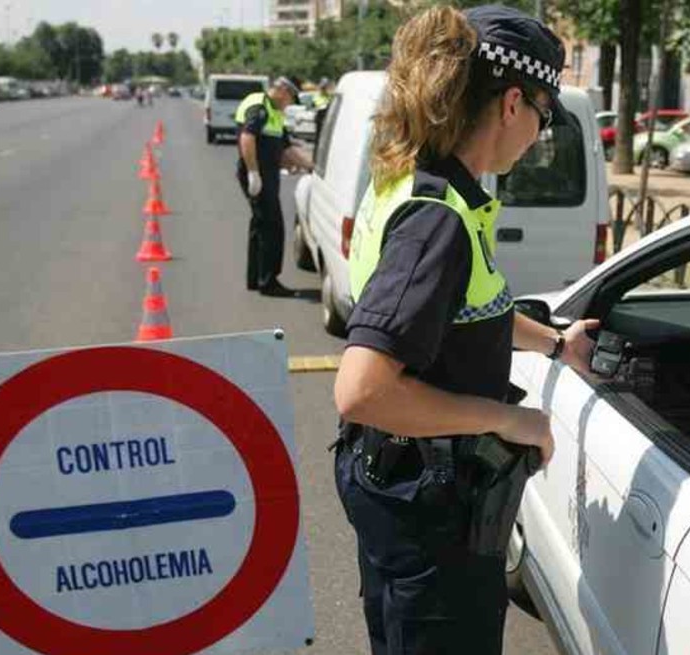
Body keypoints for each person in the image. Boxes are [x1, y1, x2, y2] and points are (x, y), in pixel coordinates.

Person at [331, 6, 596, 653]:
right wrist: (509, 420)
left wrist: (557, 342)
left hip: (390, 480)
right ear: (513, 103)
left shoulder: (403, 179)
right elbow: (361, 388)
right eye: (543, 116)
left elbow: (464, 312)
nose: (538, 135)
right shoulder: (437, 220)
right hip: (431, 517)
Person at [234, 76, 312, 296]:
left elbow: (285, 148)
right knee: (272, 226)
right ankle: (269, 282)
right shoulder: (259, 106)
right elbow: (247, 138)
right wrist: (253, 173)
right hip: (258, 174)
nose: (289, 104)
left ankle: (256, 278)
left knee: (260, 225)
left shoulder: (274, 113)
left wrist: (308, 165)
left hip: (266, 174)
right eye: (290, 98)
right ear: (283, 91)